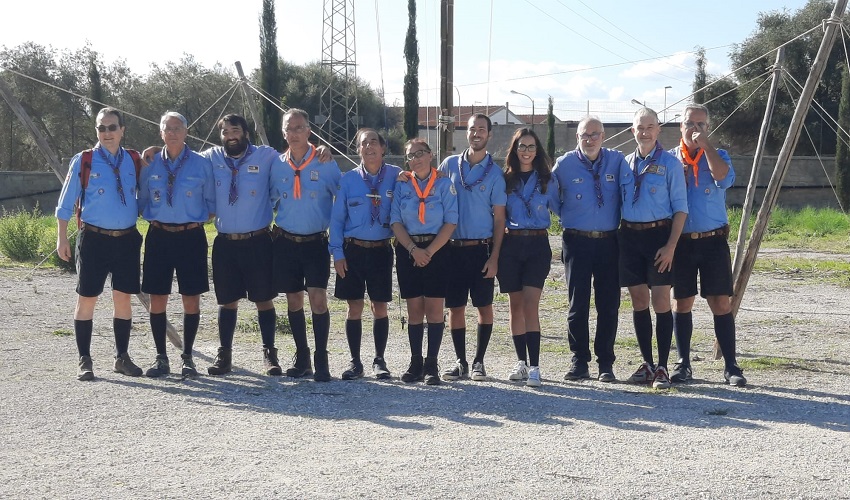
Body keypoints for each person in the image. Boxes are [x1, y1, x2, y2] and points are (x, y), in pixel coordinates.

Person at [55, 107, 144, 381]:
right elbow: (65, 202)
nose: (107, 133)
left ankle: (122, 357)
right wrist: (62, 237)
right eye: (101, 128)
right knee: (87, 299)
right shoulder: (85, 160)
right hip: (94, 239)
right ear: (97, 131)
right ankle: (85, 359)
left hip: (127, 239)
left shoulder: (134, 160)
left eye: (112, 127)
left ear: (122, 130)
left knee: (123, 299)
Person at [669, 104, 746, 386]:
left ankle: (731, 366)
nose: (695, 130)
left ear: (708, 128)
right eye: (690, 123)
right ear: (680, 126)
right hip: (682, 243)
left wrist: (707, 147)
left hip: (713, 240)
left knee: (720, 302)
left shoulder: (718, 155)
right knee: (682, 301)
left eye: (701, 125)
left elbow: (723, 178)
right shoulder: (670, 160)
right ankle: (683, 363)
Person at [137, 112, 215, 378]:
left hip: (190, 237)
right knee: (157, 298)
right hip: (159, 236)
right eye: (167, 128)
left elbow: (212, 204)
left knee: (191, 299)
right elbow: (142, 200)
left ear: (186, 132)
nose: (172, 133)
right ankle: (161, 358)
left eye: (177, 128)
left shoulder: (201, 164)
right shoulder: (150, 164)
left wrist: (191, 220)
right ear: (161, 133)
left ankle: (187, 357)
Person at [552, 117, 629, 382]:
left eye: (595, 134)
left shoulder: (617, 161)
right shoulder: (564, 164)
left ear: (603, 136)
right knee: (578, 303)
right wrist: (568, 214)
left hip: (609, 241)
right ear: (577, 137)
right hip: (577, 240)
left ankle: (606, 363)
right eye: (585, 135)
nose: (590, 139)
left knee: (608, 304)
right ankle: (579, 361)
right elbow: (551, 196)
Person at [204, 114, 281, 376]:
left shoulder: (266, 155)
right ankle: (224, 355)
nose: (230, 136)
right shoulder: (212, 157)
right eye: (225, 132)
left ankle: (270, 354)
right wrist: (154, 151)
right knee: (227, 302)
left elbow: (295, 154)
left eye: (235, 130)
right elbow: (182, 157)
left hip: (258, 241)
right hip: (226, 243)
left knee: (264, 300)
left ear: (246, 133)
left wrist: (322, 151)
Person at [620, 107, 688, 389]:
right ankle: (647, 363)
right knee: (638, 301)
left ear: (658, 130)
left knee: (661, 300)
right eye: (640, 127)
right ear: (632, 131)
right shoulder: (624, 164)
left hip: (659, 236)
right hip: (629, 237)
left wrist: (671, 246)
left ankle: (662, 366)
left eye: (650, 126)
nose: (645, 132)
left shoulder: (671, 165)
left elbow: (681, 209)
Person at [270, 108, 341, 382]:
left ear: (309, 131)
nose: (295, 133)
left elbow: (342, 196)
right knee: (293, 299)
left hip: (315, 243)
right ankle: (302, 357)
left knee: (318, 300)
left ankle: (322, 358)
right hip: (286, 242)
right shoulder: (277, 164)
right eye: (290, 128)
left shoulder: (324, 161)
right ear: (283, 132)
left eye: (300, 127)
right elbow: (270, 198)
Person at [439, 114, 507, 382]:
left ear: (489, 134)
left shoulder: (495, 173)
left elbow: (500, 218)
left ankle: (479, 361)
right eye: (471, 129)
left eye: (482, 129)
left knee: (484, 306)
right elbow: (429, 189)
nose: (476, 133)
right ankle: (460, 361)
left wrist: (495, 257)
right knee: (455, 307)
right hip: (452, 249)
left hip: (481, 250)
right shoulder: (448, 165)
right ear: (464, 133)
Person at [329, 129, 401, 380]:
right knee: (354, 307)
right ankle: (355, 361)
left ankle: (379, 360)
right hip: (353, 251)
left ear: (383, 148)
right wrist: (337, 253)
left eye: (373, 142)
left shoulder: (397, 175)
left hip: (381, 250)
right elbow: (337, 219)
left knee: (379, 306)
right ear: (358, 150)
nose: (368, 147)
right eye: (363, 144)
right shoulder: (348, 180)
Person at [390, 138, 458, 385]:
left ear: (431, 156)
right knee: (414, 309)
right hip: (409, 249)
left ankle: (432, 364)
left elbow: (451, 222)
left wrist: (428, 251)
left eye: (420, 153)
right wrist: (412, 249)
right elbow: (395, 221)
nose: (416, 159)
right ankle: (415, 361)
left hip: (436, 249)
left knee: (434, 310)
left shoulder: (443, 184)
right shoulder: (402, 185)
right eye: (411, 155)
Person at [498, 128, 559, 387]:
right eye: (522, 146)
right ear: (515, 150)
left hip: (537, 244)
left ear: (538, 150)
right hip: (511, 244)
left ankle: (535, 366)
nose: (526, 151)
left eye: (531, 146)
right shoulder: (505, 180)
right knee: (515, 305)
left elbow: (562, 208)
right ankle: (520, 362)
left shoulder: (547, 179)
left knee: (530, 304)